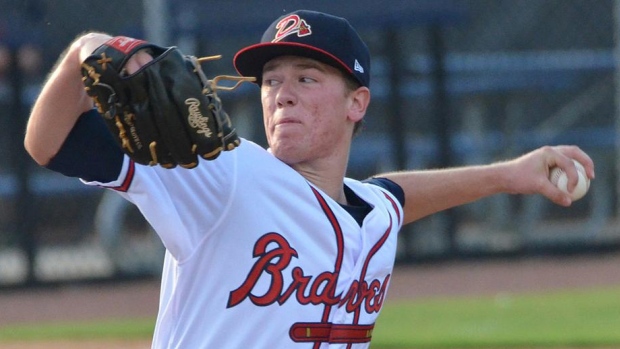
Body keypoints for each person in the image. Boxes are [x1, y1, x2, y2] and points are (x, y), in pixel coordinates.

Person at [24, 9, 594, 349]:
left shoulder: (371, 217)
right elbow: (48, 144)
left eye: (307, 76)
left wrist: (507, 175)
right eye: (271, 80)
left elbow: (392, 197)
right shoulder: (222, 173)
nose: (282, 92)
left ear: (357, 103)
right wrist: (87, 52)